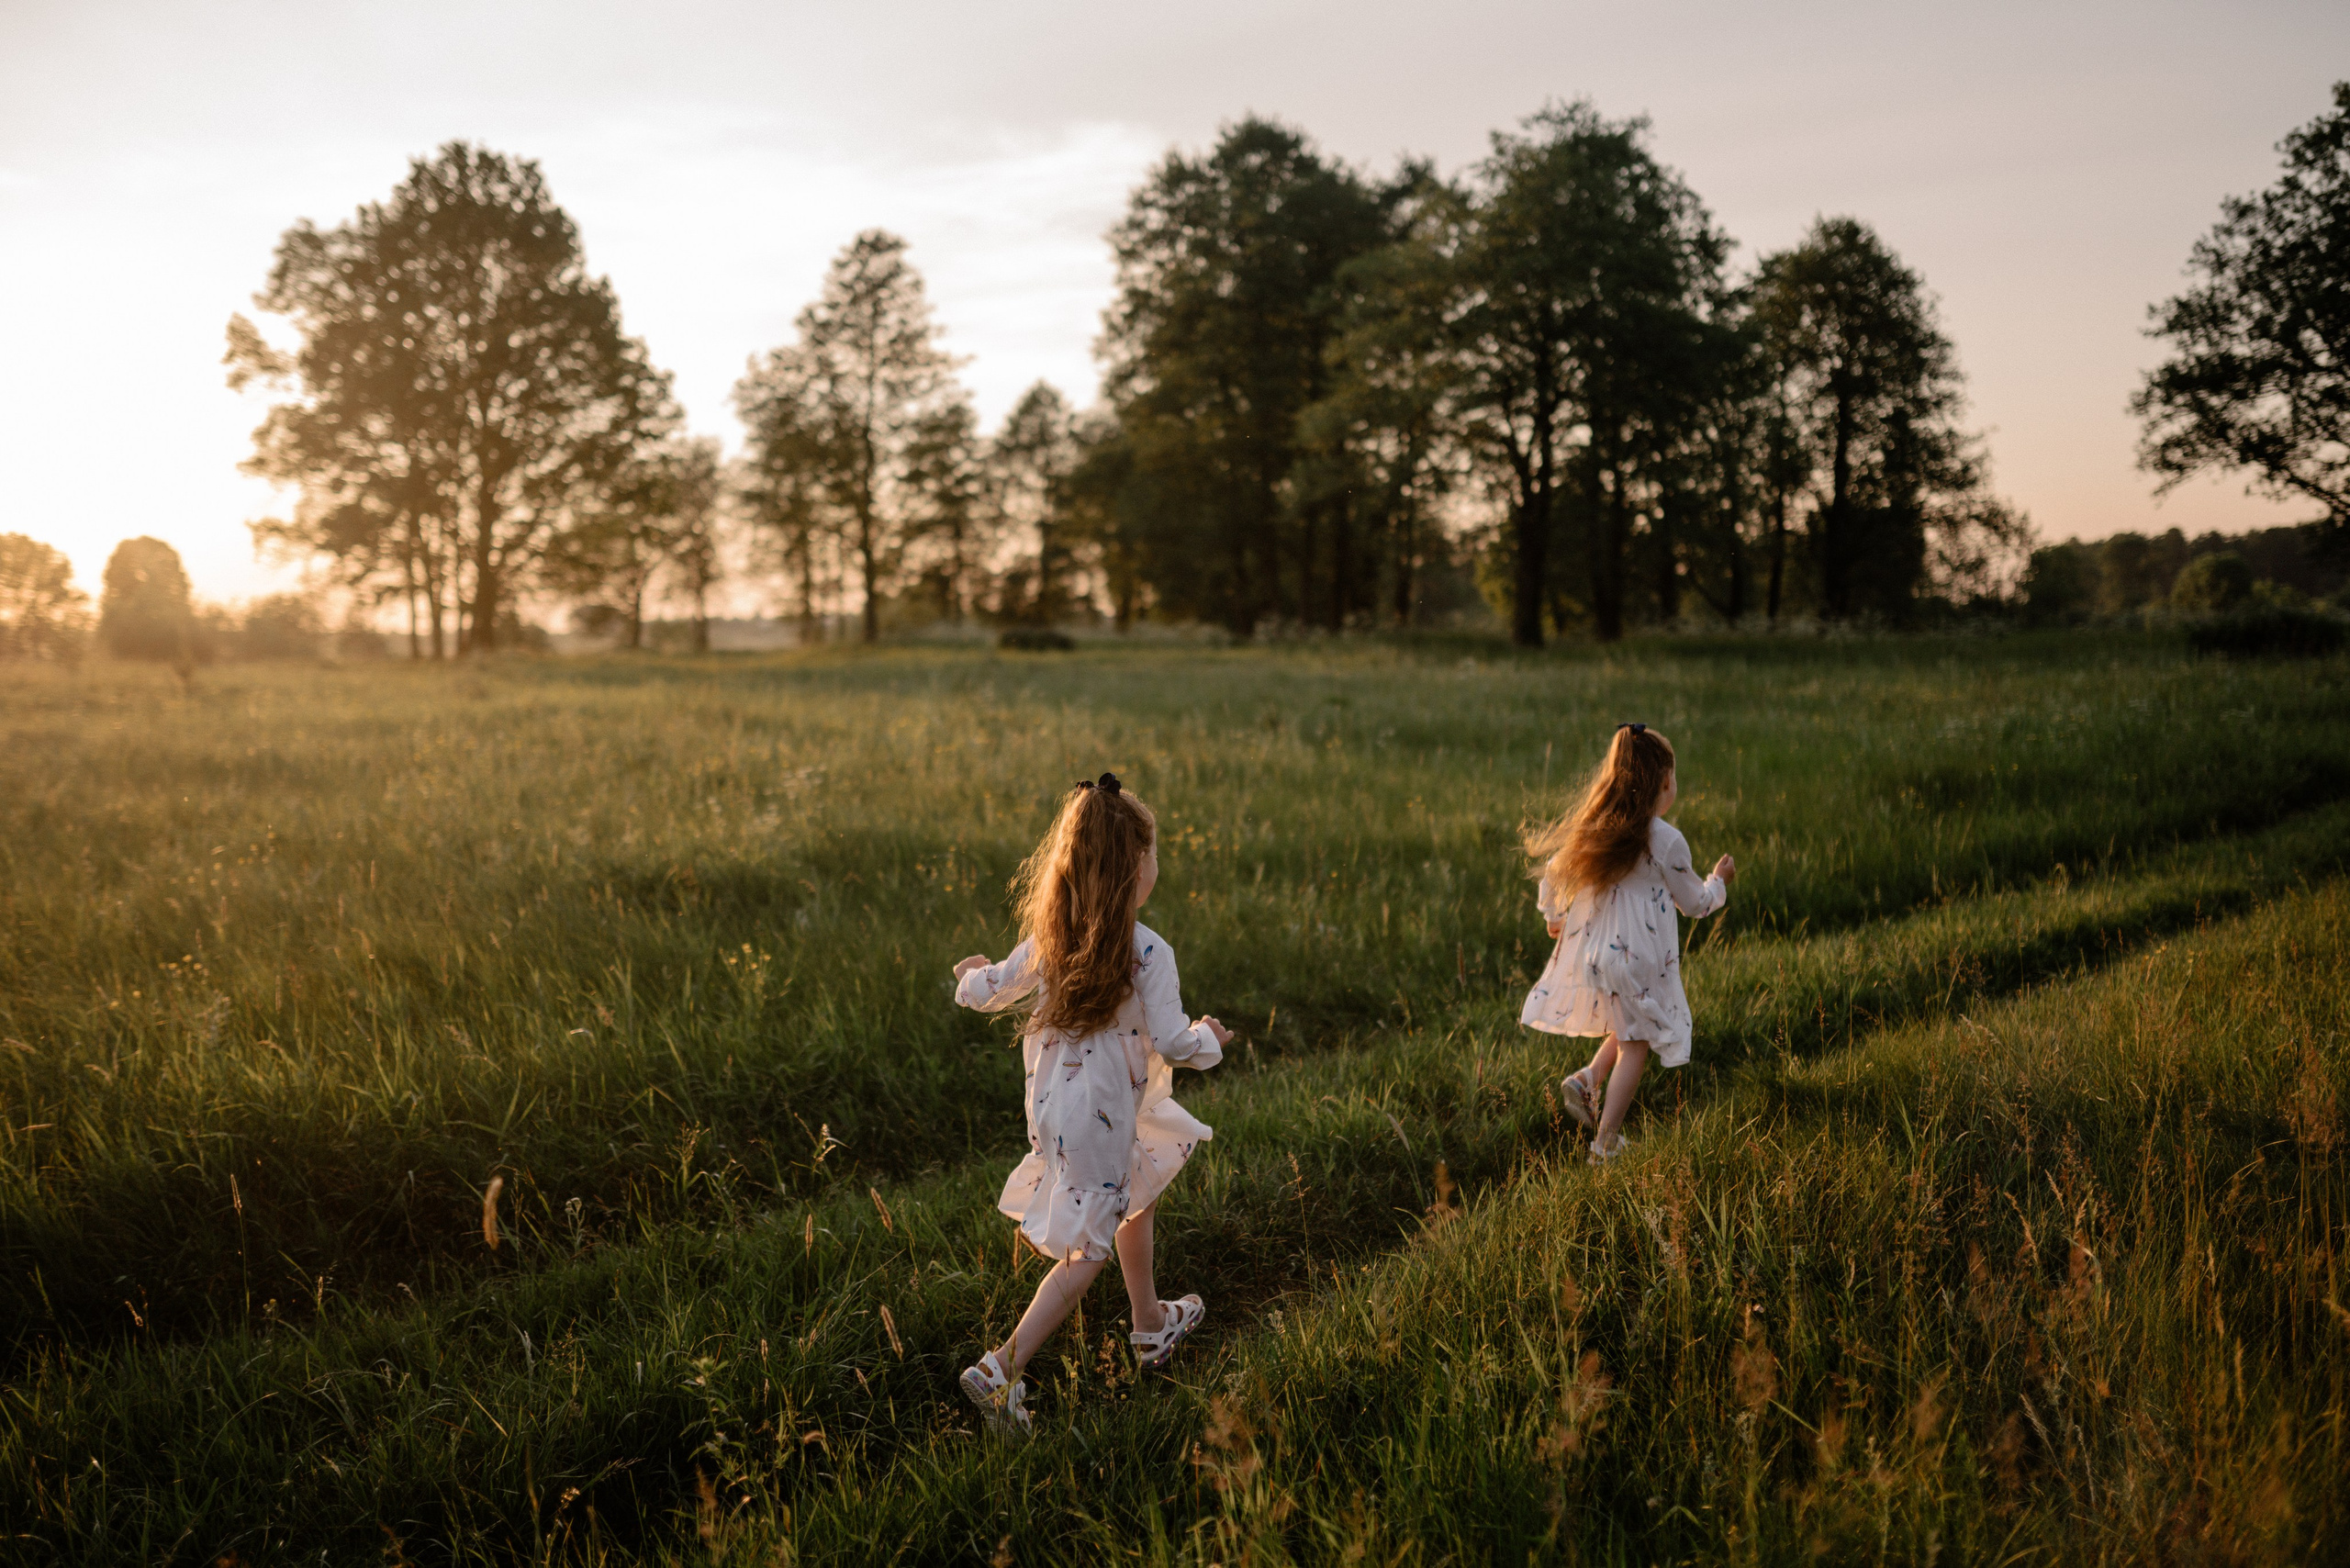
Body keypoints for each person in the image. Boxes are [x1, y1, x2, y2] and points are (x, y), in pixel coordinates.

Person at [951, 772, 1231, 1435]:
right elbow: (1171, 1039)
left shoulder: (1051, 936)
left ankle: (1149, 1324)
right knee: (1089, 1250)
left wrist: (967, 977)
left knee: (1140, 1185)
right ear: (1138, 869)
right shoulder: (1149, 950)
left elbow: (991, 987)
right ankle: (1000, 1370)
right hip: (1101, 1116)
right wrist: (1209, 1040)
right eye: (1152, 854)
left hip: (1058, 1111)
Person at [1519, 724, 1735, 1164]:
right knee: (1637, 1043)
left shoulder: (1600, 829)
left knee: (1630, 1022)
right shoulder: (1666, 839)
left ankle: (1587, 1079)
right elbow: (1694, 904)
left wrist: (1555, 917)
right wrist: (1719, 882)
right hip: (1639, 961)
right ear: (1663, 782)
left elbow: (1554, 873)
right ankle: (1604, 1145)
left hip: (1599, 956)